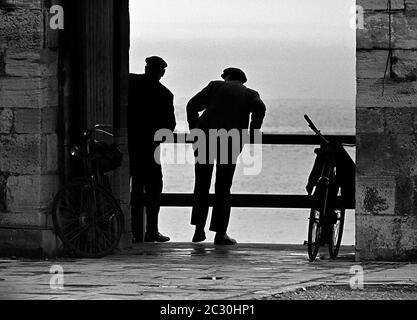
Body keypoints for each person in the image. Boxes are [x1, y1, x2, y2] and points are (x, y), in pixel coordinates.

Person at [187, 67, 266, 245]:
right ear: (242, 80)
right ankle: (220, 233)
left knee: (201, 184)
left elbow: (192, 105)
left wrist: (195, 128)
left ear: (228, 77)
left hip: (204, 137)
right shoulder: (250, 94)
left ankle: (198, 230)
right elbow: (260, 107)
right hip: (230, 141)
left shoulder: (215, 87)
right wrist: (253, 130)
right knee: (223, 187)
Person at [128, 56, 176, 243]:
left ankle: (132, 231)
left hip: (130, 145)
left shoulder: (130, 82)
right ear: (162, 72)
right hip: (150, 148)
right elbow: (169, 127)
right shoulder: (165, 94)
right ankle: (151, 231)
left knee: (134, 190)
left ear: (146, 67)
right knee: (154, 189)